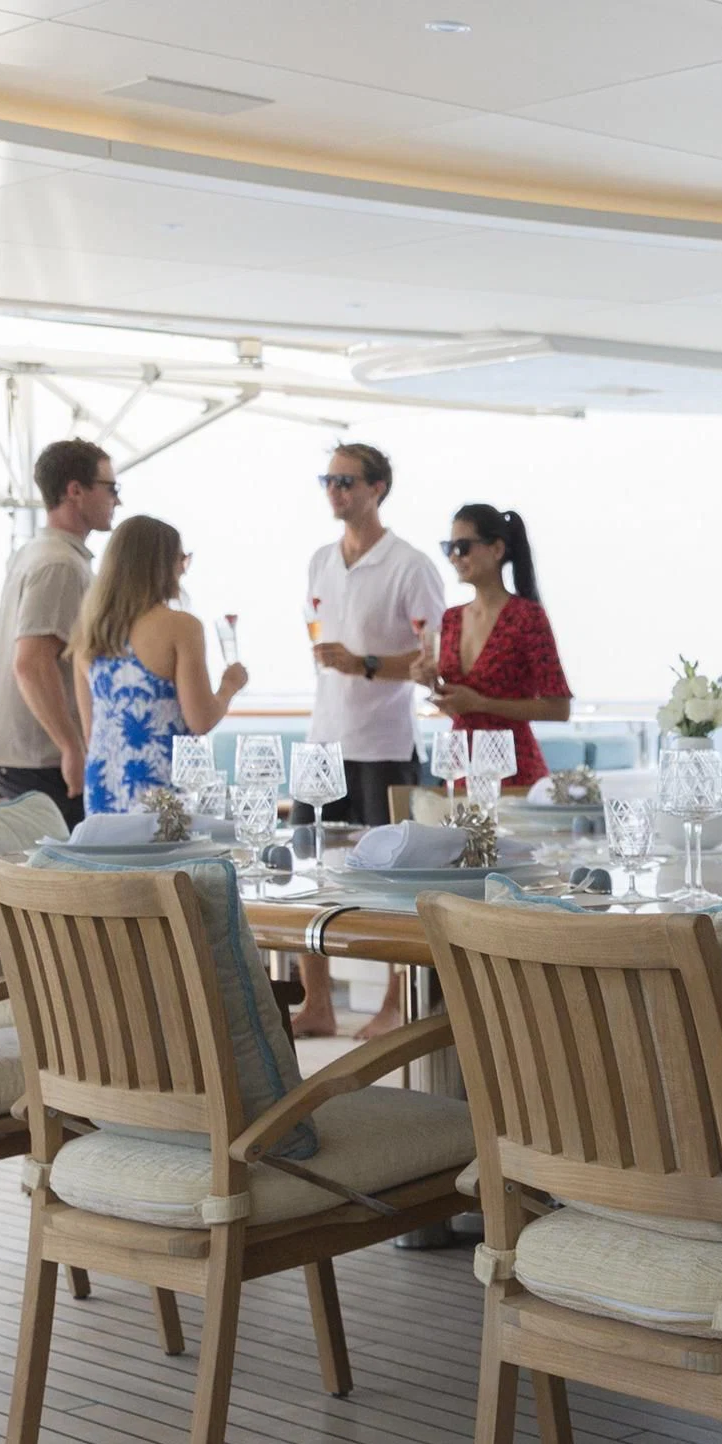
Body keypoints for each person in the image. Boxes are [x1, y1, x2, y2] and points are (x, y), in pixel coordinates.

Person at [297, 441, 444, 1036]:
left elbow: (432, 657)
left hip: (384, 742)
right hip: (321, 739)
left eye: (348, 481)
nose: (337, 491)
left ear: (378, 488)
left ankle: (393, 1006)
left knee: (391, 881)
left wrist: (363, 663)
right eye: (328, 480)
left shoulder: (411, 565)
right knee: (308, 870)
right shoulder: (319, 562)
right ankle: (318, 1003)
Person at [0, 439, 115, 818]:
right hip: (36, 754)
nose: (117, 500)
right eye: (110, 488)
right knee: (69, 874)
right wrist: (71, 746)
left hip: (15, 748)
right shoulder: (60, 565)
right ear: (75, 491)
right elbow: (31, 662)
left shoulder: (35, 553)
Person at [70, 514, 245, 815]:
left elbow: (92, 734)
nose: (183, 570)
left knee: (112, 863)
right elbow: (200, 720)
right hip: (160, 794)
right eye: (181, 559)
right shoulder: (181, 627)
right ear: (161, 565)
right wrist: (230, 686)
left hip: (103, 793)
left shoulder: (87, 635)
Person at [422, 502, 573, 786]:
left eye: (463, 547)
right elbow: (458, 704)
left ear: (496, 549)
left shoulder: (527, 618)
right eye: (449, 547)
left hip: (513, 769)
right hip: (459, 767)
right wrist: (430, 683)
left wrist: (483, 704)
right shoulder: (452, 618)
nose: (454, 557)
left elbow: (559, 708)